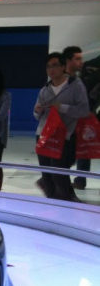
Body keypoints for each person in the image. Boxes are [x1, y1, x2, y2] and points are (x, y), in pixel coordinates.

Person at [34, 52, 89, 201]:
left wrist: (63, 108)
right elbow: (37, 115)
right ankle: (53, 204)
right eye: (48, 67)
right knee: (47, 175)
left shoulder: (75, 86)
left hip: (64, 137)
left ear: (63, 67)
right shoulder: (45, 89)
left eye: (55, 65)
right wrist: (37, 111)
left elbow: (84, 110)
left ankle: (67, 205)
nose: (52, 69)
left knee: (59, 175)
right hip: (44, 135)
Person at [63, 46, 92, 191]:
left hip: (80, 122)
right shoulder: (61, 80)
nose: (81, 62)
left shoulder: (82, 79)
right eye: (78, 59)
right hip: (65, 124)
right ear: (68, 60)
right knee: (66, 155)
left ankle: (79, 180)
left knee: (82, 152)